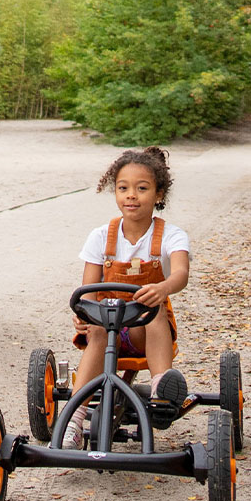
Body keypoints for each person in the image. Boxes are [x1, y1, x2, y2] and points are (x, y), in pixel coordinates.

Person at [63, 147, 191, 449]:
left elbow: (181, 273)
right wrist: (83, 315)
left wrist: (163, 288)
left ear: (159, 195)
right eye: (123, 188)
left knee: (152, 310)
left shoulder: (170, 236)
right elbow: (88, 291)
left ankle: (161, 391)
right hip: (107, 330)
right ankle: (74, 419)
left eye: (142, 189)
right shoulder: (100, 237)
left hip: (145, 331)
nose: (131, 195)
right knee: (96, 327)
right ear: (115, 192)